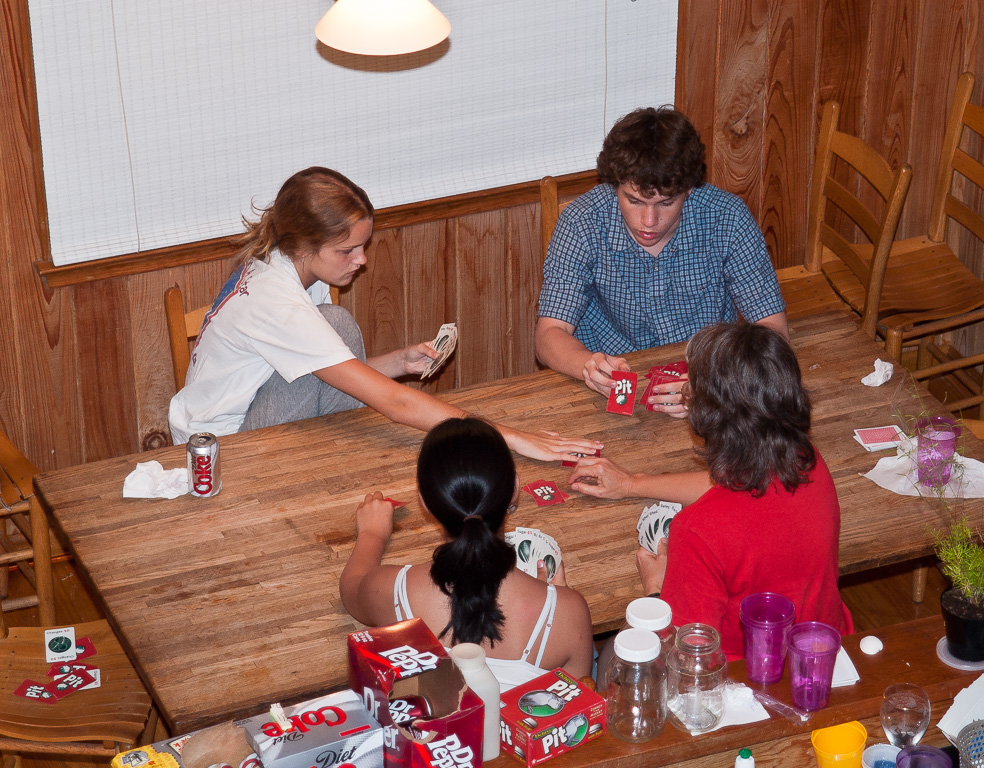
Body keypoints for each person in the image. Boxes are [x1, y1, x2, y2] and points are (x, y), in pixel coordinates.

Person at [169, 167, 600, 462]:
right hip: (224, 451)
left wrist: (398, 362)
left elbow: (320, 368)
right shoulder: (275, 300)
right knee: (337, 324)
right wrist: (509, 438)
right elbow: (392, 403)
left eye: (363, 245)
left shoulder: (290, 262)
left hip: (251, 411)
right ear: (302, 244)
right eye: (347, 250)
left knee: (336, 325)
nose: (361, 260)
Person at [566, 322, 851, 660]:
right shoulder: (810, 463)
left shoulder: (697, 531)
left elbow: (690, 657)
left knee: (615, 651)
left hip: (749, 679)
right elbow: (735, 494)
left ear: (703, 417)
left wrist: (655, 592)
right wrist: (631, 483)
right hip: (827, 652)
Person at [535, 106, 788, 418]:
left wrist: (716, 383)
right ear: (615, 184)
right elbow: (548, 336)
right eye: (634, 200)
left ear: (690, 189)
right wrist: (589, 366)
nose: (649, 221)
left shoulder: (729, 217)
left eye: (667, 202)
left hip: (711, 381)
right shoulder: (582, 222)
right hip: (611, 394)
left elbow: (772, 330)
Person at [340, 418, 594, 689]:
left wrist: (372, 535)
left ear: (425, 502)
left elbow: (351, 588)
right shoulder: (568, 612)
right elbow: (578, 705)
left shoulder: (392, 591)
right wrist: (554, 604)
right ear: (514, 490)